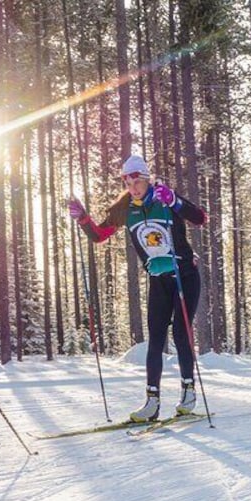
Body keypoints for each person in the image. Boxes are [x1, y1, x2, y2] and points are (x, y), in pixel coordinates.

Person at [68, 155, 207, 422]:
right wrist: (83, 218)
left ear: (146, 177)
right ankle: (151, 402)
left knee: (180, 333)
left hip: (184, 275)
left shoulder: (164, 197)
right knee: (155, 339)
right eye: (127, 181)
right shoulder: (125, 207)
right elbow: (99, 236)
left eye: (136, 180)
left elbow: (200, 218)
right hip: (159, 279)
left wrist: (176, 201)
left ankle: (188, 392)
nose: (132, 186)